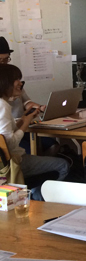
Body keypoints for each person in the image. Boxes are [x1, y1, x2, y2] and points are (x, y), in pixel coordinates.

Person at [0, 64, 69, 198]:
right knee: (63, 165)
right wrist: (25, 124)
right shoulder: (3, 106)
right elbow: (9, 145)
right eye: (17, 80)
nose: (21, 83)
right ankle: (38, 198)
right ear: (5, 82)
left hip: (4, 163)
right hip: (11, 163)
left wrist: (22, 120)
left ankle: (35, 194)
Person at [0, 37, 56, 153]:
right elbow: (7, 141)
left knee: (52, 144)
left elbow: (25, 101)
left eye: (6, 60)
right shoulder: (2, 104)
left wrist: (37, 107)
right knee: (32, 150)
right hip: (10, 133)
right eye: (1, 60)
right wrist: (23, 122)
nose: (4, 63)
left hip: (21, 126)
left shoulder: (11, 77)